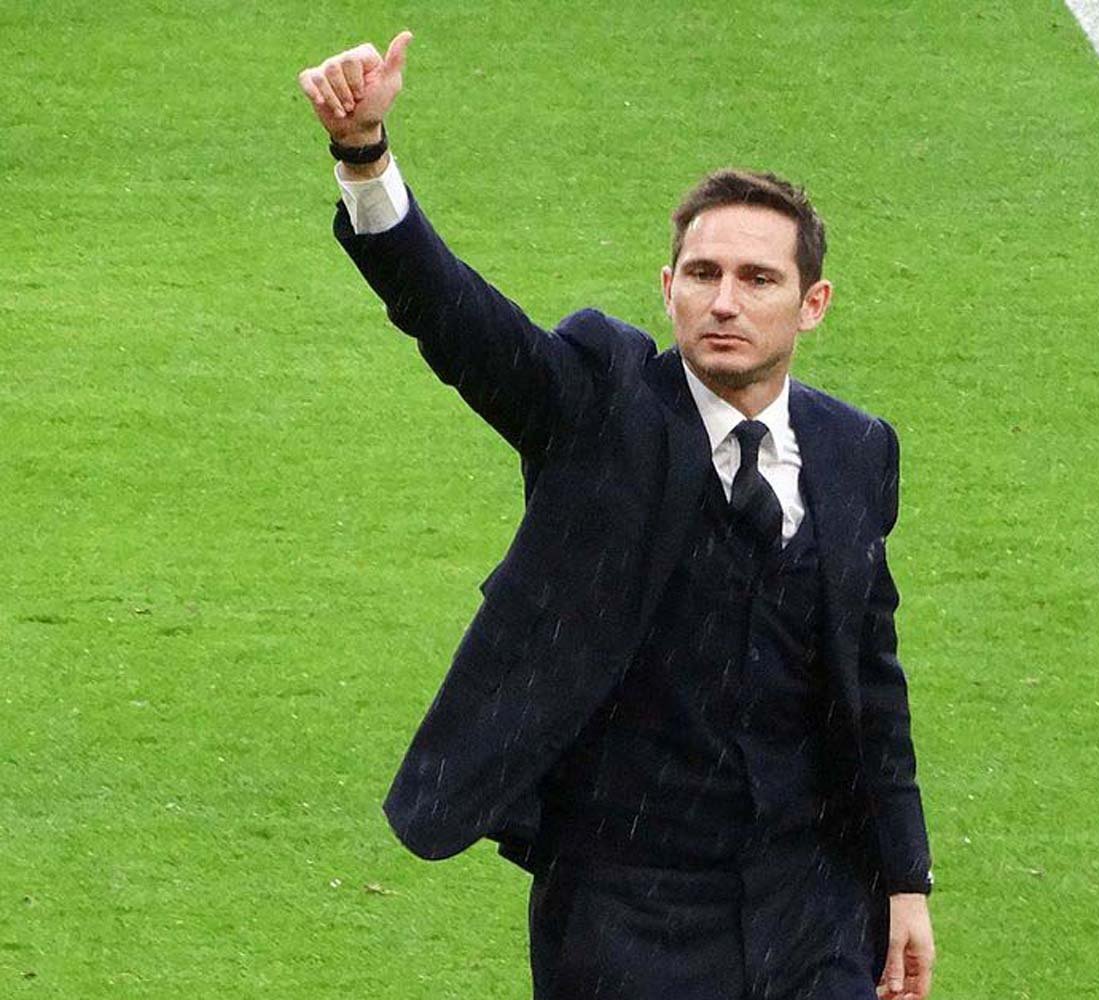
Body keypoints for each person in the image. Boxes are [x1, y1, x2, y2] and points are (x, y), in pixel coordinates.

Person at [299, 29, 936, 1000]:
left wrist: (904, 878)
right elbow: (459, 319)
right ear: (668, 289)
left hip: (807, 895)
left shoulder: (855, 451)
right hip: (626, 900)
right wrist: (364, 156)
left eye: (757, 279)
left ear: (812, 305)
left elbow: (871, 680)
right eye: (702, 274)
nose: (724, 301)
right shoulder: (600, 404)